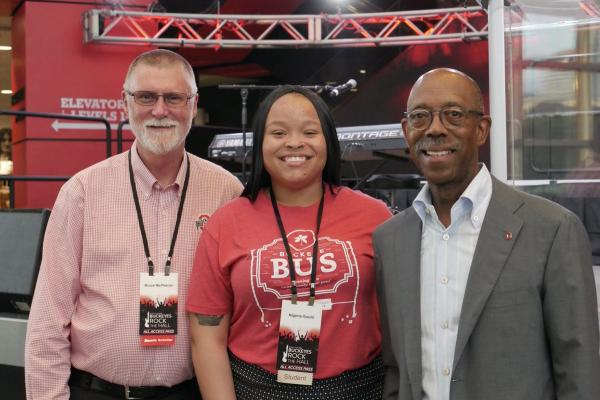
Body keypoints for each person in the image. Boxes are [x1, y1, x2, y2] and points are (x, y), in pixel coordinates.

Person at [25, 49, 243, 399]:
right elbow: (48, 320)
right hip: (99, 391)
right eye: (146, 97)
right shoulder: (82, 192)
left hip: (190, 393)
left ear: (193, 103)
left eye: (173, 97)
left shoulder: (227, 192)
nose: (160, 110)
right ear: (125, 101)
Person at [374, 67, 600, 400]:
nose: (435, 129)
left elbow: (579, 368)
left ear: (481, 129)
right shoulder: (390, 239)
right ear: (407, 131)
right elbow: (396, 367)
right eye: (421, 117)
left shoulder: (552, 230)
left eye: (453, 115)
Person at [186, 85, 392, 400]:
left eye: (309, 132)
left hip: (359, 389)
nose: (294, 143)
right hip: (257, 390)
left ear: (328, 141)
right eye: (279, 133)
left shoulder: (374, 217)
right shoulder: (226, 223)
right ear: (260, 145)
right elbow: (207, 336)